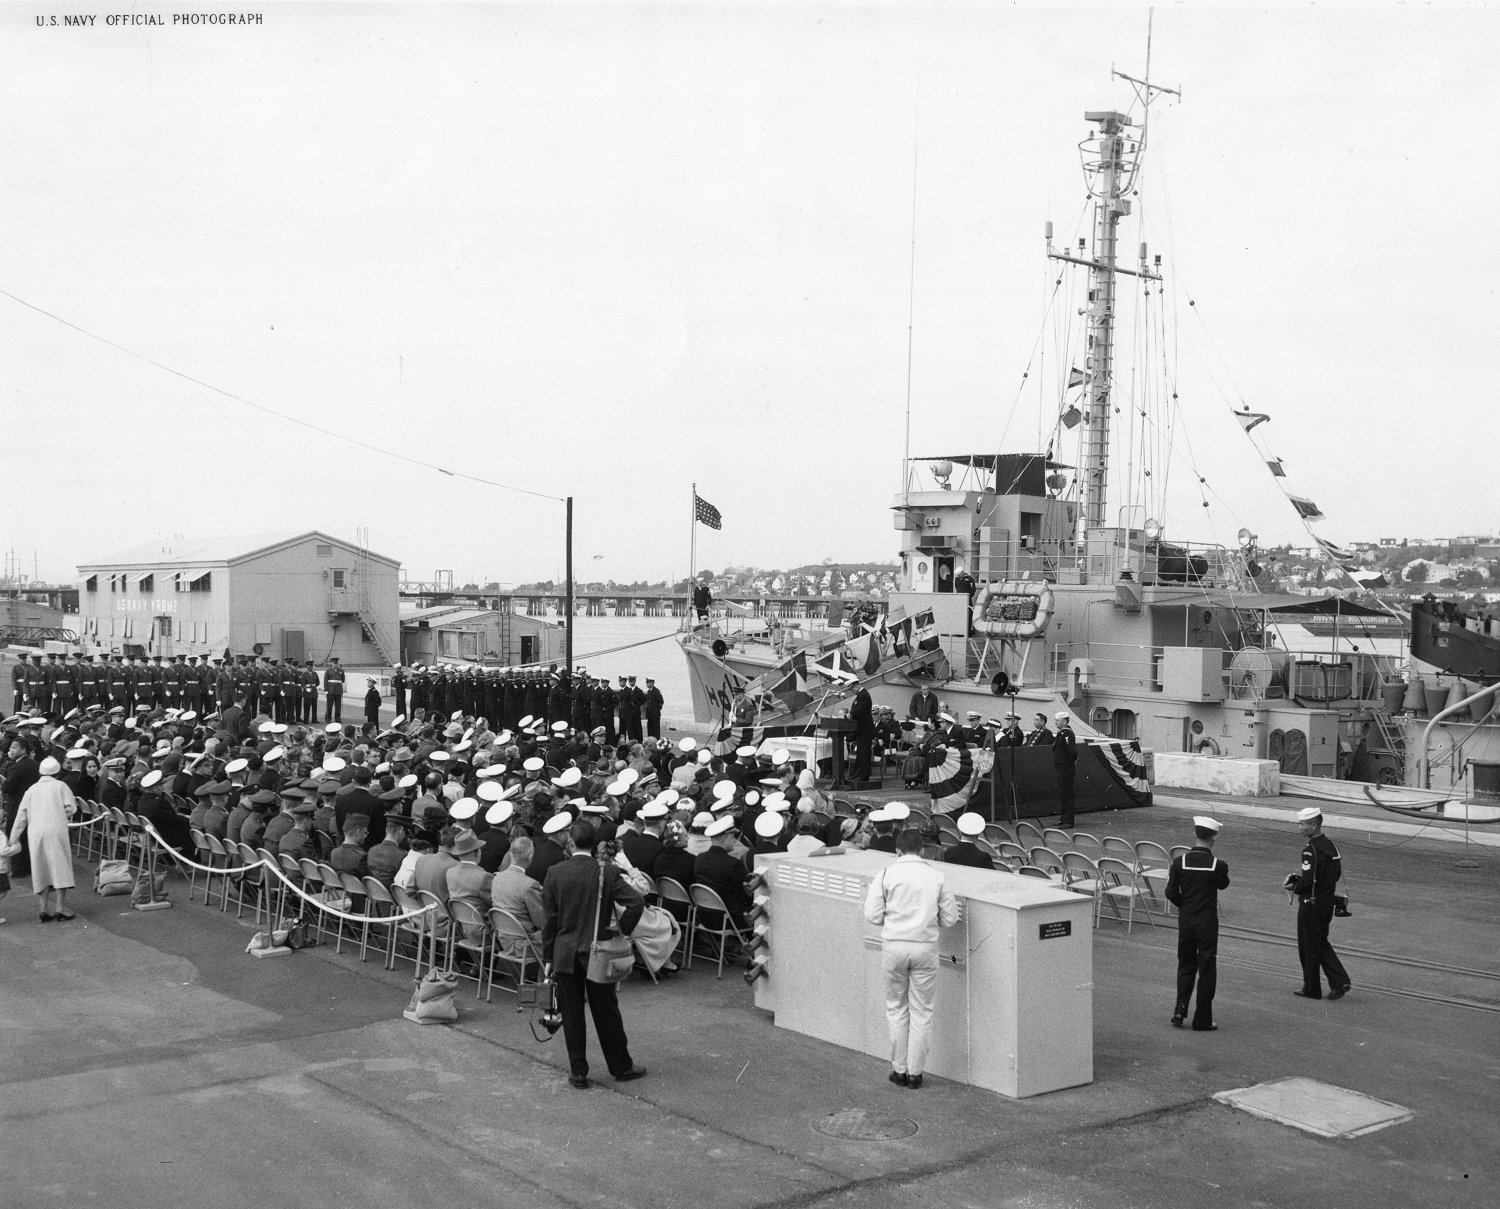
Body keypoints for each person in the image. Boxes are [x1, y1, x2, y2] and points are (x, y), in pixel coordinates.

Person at [540, 819, 647, 1089]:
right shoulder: (608, 872)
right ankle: (621, 1066)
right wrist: (622, 929)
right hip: (599, 952)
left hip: (565, 953)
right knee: (607, 1011)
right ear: (594, 843)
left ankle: (578, 1071)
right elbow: (636, 902)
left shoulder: (554, 872)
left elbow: (549, 920)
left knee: (572, 1013)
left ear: (570, 842)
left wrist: (548, 957)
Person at [863, 828, 958, 1089]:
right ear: (922, 850)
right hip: (925, 946)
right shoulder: (937, 877)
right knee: (922, 1011)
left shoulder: (885, 874)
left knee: (896, 1008)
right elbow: (950, 918)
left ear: (897, 851)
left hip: (894, 945)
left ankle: (899, 1069)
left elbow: (872, 915)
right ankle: (916, 1073)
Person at [1165, 816, 1229, 1031]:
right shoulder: (1218, 865)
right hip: (1207, 921)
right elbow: (1223, 884)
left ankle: (1179, 1009)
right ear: (1213, 838)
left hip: (1187, 919)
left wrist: (1185, 905)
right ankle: (1202, 1018)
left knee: (1185, 964)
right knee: (1207, 968)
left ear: (1194, 834)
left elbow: (1170, 892)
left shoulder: (1179, 862)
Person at [1287, 807, 1352, 1001]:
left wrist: (1294, 886)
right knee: (1320, 942)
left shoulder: (1310, 850)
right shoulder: (1331, 846)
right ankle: (1339, 981)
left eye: (1302, 824)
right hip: (1326, 902)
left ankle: (1312, 988)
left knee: (1308, 946)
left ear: (1314, 826)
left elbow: (1307, 882)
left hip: (1311, 904)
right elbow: (1335, 874)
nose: (1299, 827)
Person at [5, 756, 79, 921]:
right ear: (57, 771)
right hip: (56, 830)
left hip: (35, 832)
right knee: (60, 867)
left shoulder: (31, 790)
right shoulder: (61, 786)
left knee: (40, 868)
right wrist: (60, 814)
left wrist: (13, 838)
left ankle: (44, 908)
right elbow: (71, 808)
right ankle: (60, 908)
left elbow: (21, 817)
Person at [1051, 711, 1078, 829]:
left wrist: (1068, 763)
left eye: (1057, 720)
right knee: (1063, 792)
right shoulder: (1061, 733)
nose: (1055, 722)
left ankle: (1069, 821)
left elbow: (1072, 752)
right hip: (1061, 766)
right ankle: (1064, 818)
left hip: (1065, 767)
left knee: (1067, 793)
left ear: (1064, 722)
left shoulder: (1067, 733)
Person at [849, 684, 874, 782]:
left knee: (864, 753)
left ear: (856, 687)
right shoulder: (861, 695)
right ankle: (858, 773)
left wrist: (847, 716)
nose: (852, 692)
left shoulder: (863, 696)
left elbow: (857, 711)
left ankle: (863, 775)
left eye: (852, 689)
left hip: (865, 729)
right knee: (860, 753)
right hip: (861, 729)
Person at [324, 658, 345, 722]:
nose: (335, 664)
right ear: (331, 664)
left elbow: (343, 680)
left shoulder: (341, 671)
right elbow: (325, 681)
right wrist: (326, 690)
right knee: (329, 705)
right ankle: (328, 718)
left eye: (336, 663)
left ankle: (337, 718)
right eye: (334, 663)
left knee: (338, 706)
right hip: (331, 690)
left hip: (338, 690)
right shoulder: (328, 671)